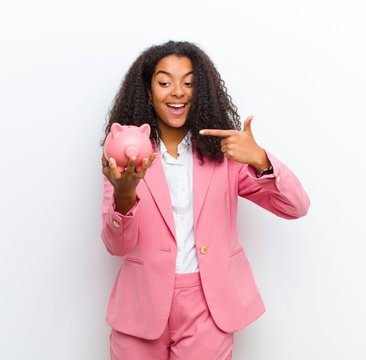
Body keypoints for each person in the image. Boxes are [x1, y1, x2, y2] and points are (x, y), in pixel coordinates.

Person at [100, 40, 310, 360]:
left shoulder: (224, 154)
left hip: (209, 307)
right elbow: (117, 246)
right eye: (165, 82)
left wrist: (259, 159)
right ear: (147, 90)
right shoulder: (126, 154)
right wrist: (125, 194)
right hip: (140, 306)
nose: (178, 91)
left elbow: (296, 206)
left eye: (189, 83)